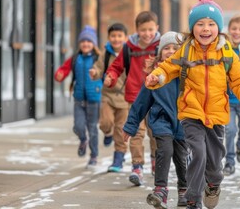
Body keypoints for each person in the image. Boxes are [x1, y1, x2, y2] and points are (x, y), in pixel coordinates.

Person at [145, 0, 240, 209]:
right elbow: (168, 68)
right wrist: (156, 77)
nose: (205, 28)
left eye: (210, 24)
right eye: (200, 24)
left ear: (218, 27)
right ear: (192, 27)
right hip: (192, 111)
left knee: (215, 164)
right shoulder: (186, 50)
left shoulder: (227, 53)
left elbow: (238, 80)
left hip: (217, 114)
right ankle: (193, 199)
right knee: (197, 153)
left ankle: (214, 184)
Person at [123, 31, 188, 209]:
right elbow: (141, 103)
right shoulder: (154, 76)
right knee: (164, 151)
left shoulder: (188, 73)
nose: (170, 50)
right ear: (160, 52)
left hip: (183, 122)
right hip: (162, 121)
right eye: (166, 48)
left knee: (181, 158)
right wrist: (130, 126)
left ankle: (184, 189)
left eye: (175, 48)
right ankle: (160, 190)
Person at [104, 11, 160, 186]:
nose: (147, 34)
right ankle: (137, 166)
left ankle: (156, 162)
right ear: (137, 30)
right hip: (134, 96)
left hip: (157, 97)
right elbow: (116, 66)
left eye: (151, 29)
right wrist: (111, 77)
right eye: (143, 30)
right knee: (135, 132)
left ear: (156, 28)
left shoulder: (161, 45)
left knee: (156, 133)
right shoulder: (129, 47)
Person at [54, 25, 102, 168]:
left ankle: (93, 156)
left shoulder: (98, 58)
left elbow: (108, 71)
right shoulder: (75, 58)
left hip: (94, 99)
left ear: (93, 44)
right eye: (83, 41)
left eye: (88, 41)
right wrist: (59, 75)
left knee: (92, 128)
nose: (85, 44)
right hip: (79, 98)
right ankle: (83, 140)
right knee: (78, 126)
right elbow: (63, 69)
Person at [89, 23, 129, 172]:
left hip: (125, 98)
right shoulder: (105, 54)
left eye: (119, 36)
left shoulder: (129, 53)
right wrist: (95, 72)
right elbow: (99, 68)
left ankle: (118, 159)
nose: (116, 39)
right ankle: (107, 132)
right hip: (108, 95)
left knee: (121, 130)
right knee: (105, 122)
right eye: (113, 36)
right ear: (108, 38)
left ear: (125, 38)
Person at [223, 13, 240, 175]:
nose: (237, 32)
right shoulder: (224, 48)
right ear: (229, 29)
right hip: (228, 99)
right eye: (234, 29)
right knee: (230, 130)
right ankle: (229, 161)